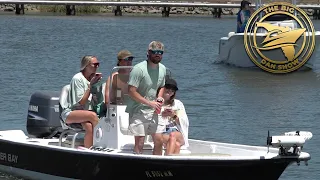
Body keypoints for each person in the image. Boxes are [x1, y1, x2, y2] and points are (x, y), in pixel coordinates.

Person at [126, 41, 167, 155]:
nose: (157, 54)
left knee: (159, 140)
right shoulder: (138, 69)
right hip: (138, 110)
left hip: (154, 110)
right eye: (154, 52)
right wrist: (149, 103)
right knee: (140, 142)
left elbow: (162, 86)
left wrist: (159, 97)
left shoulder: (163, 69)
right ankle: (137, 164)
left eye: (160, 52)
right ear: (148, 53)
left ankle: (157, 165)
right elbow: (131, 91)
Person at [60, 55, 104, 148]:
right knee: (92, 116)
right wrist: (90, 86)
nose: (97, 67)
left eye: (98, 64)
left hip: (86, 112)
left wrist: (96, 87)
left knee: (89, 126)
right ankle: (100, 144)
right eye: (95, 64)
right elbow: (81, 103)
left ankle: (89, 150)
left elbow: (98, 102)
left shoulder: (93, 79)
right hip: (71, 112)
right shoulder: (78, 79)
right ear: (86, 66)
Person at [159, 77, 189, 155]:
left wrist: (173, 115)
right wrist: (161, 115)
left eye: (173, 90)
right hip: (162, 131)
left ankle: (167, 160)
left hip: (176, 131)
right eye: (168, 88)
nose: (170, 91)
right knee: (176, 145)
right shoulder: (157, 103)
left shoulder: (178, 104)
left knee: (173, 135)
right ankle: (171, 163)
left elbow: (184, 122)